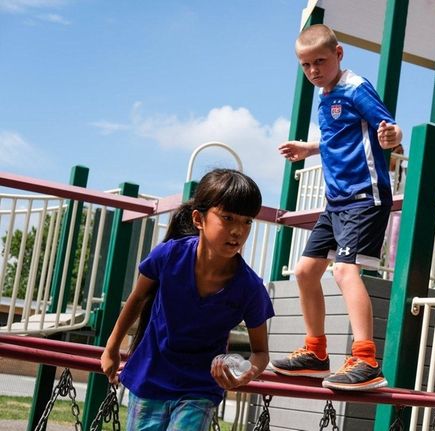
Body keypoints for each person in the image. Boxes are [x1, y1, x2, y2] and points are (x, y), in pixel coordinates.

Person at [273, 24, 402, 390]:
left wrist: (393, 136)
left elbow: (388, 128)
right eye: (306, 65)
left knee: (344, 272)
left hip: (364, 196)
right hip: (336, 202)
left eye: (320, 61)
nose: (313, 70)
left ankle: (365, 359)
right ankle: (316, 352)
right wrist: (308, 148)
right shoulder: (325, 93)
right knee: (304, 272)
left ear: (339, 54)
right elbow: (340, 135)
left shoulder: (356, 87)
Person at [100, 168, 274, 430]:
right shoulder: (168, 256)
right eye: (227, 218)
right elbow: (136, 300)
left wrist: (247, 372)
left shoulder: (249, 288)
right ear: (198, 219)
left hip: (199, 388)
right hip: (150, 378)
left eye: (247, 221)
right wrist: (111, 348)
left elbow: (260, 352)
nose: (238, 230)